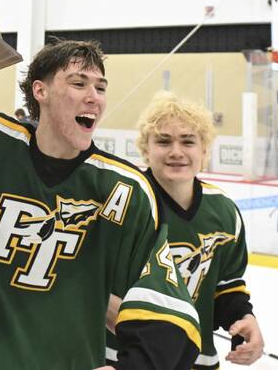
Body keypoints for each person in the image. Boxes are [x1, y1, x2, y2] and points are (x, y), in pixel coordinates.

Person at [0, 40, 201, 370]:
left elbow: (169, 306)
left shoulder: (124, 189)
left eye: (100, 87)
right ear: (40, 91)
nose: (94, 97)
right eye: (78, 83)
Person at [106, 92, 264, 369]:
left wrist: (244, 319)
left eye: (188, 141)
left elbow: (226, 287)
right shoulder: (123, 204)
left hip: (196, 360)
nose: (176, 151)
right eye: (163, 141)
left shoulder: (224, 212)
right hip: (121, 358)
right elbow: (86, 279)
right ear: (145, 149)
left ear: (204, 151)